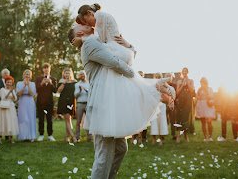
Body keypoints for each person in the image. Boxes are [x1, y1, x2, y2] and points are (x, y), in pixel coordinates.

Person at [68, 22, 171, 179]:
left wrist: (128, 44)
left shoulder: (95, 42)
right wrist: (133, 74)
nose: (83, 24)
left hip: (111, 103)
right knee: (104, 156)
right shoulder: (89, 45)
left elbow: (126, 55)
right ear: (79, 35)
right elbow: (114, 61)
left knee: (121, 149)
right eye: (79, 28)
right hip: (103, 104)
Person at [35, 63, 57, 142]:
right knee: (41, 118)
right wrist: (41, 84)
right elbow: (36, 89)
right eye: (45, 68)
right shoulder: (38, 79)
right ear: (43, 70)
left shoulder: (53, 79)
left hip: (49, 102)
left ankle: (50, 135)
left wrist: (51, 83)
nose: (46, 70)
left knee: (49, 119)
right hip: (40, 101)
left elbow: (55, 90)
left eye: (48, 68)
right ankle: (41, 135)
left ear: (49, 69)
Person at [57, 68, 78, 143]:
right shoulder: (61, 81)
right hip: (64, 101)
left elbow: (76, 92)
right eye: (66, 73)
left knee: (69, 120)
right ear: (64, 74)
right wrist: (64, 83)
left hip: (72, 102)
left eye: (68, 73)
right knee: (67, 119)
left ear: (71, 74)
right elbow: (59, 91)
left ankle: (67, 137)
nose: (67, 74)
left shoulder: (74, 82)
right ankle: (73, 137)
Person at [0, 76, 18, 143]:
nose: (9, 83)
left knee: (11, 121)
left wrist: (12, 92)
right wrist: (9, 92)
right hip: (4, 107)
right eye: (8, 82)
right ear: (5, 82)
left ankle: (11, 138)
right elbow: (3, 98)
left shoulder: (13, 90)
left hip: (11, 107)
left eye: (10, 82)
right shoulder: (2, 89)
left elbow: (15, 99)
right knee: (3, 121)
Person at [16, 69, 37, 142]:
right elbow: (18, 94)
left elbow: (32, 94)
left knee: (31, 118)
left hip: (30, 102)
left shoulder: (33, 84)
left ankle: (32, 136)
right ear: (23, 75)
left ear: (30, 76)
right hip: (22, 102)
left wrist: (28, 86)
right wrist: (24, 86)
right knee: (24, 119)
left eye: (29, 74)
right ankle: (24, 136)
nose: (27, 76)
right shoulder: (19, 83)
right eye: (26, 74)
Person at [176, 67, 194, 143]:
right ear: (182, 73)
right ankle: (179, 136)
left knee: (185, 118)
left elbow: (191, 90)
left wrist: (187, 81)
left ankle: (186, 136)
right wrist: (182, 85)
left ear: (187, 72)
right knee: (180, 117)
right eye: (183, 71)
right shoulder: (179, 81)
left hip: (188, 100)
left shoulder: (191, 80)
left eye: (186, 71)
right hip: (181, 99)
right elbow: (177, 92)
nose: (184, 72)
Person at [150, 73, 169, 145]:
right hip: (154, 105)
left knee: (162, 121)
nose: (157, 78)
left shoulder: (164, 85)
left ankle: (160, 139)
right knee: (154, 121)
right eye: (156, 76)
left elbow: (166, 94)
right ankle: (154, 139)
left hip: (162, 105)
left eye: (159, 77)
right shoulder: (152, 85)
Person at [195, 77, 215, 142]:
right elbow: (197, 97)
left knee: (209, 121)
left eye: (204, 82)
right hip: (201, 105)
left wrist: (206, 90)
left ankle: (210, 136)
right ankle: (205, 137)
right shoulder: (199, 89)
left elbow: (211, 96)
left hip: (208, 105)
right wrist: (199, 93)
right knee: (203, 122)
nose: (203, 83)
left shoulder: (210, 89)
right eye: (202, 82)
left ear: (206, 82)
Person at [74, 70, 92, 142]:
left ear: (85, 75)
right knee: (79, 121)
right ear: (79, 76)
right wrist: (80, 90)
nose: (82, 76)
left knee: (88, 121)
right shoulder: (77, 85)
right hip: (80, 104)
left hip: (88, 103)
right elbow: (75, 95)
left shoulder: (89, 83)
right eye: (80, 75)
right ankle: (78, 137)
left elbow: (91, 93)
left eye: (83, 74)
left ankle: (89, 137)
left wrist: (85, 89)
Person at [0, 68, 10, 140]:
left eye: (7, 73)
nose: (6, 74)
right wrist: (3, 100)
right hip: (0, 104)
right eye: (5, 73)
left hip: (9, 105)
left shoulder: (11, 82)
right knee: (0, 120)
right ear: (2, 74)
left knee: (7, 120)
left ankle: (7, 136)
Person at [164, 72, 177, 140]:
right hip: (164, 105)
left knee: (173, 120)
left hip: (172, 104)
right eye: (167, 75)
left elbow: (176, 95)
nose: (168, 77)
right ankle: (163, 134)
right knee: (164, 120)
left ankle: (173, 134)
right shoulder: (162, 85)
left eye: (169, 75)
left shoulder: (174, 85)